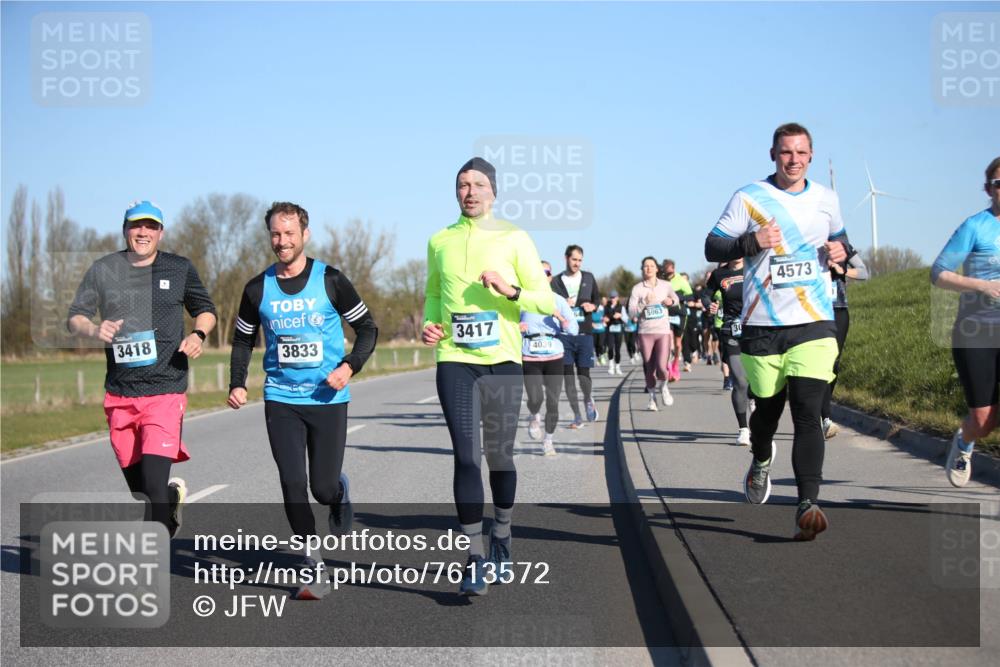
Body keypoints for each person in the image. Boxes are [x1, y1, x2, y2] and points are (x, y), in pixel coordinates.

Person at [705, 122, 848, 541]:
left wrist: (843, 251)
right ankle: (762, 458)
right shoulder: (749, 197)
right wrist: (751, 241)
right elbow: (713, 246)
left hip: (815, 322)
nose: (794, 160)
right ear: (773, 155)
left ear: (811, 156)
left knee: (808, 411)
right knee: (766, 410)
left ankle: (807, 502)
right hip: (763, 325)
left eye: (801, 153)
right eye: (786, 152)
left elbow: (841, 243)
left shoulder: (826, 199)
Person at [227, 201, 378, 600]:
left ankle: (339, 494)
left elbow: (367, 329)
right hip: (282, 398)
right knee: (292, 483)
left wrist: (350, 366)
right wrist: (237, 382)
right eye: (276, 234)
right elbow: (242, 339)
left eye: (289, 233)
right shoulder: (257, 289)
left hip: (328, 397)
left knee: (321, 487)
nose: (282, 241)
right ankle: (314, 567)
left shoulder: (330, 280)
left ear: (305, 235)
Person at [422, 157, 554, 595]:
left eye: (479, 184)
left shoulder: (515, 238)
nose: (470, 192)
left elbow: (545, 302)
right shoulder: (439, 241)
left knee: (499, 457)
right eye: (463, 185)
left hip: (502, 360)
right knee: (465, 456)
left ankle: (502, 528)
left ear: (494, 192)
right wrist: (430, 322)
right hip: (455, 358)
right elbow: (434, 292)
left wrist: (510, 290)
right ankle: (474, 555)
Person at [68, 200, 217, 539]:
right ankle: (170, 498)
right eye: (137, 225)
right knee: (142, 492)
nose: (143, 232)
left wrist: (198, 333)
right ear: (125, 230)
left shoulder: (179, 269)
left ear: (160, 233)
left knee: (152, 483)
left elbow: (205, 309)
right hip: (120, 394)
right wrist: (94, 329)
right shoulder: (104, 269)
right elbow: (75, 316)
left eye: (151, 226)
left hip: (166, 388)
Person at [931, 156, 1000, 487]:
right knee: (984, 421)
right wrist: (983, 286)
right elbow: (939, 273)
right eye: (999, 183)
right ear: (988, 189)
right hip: (977, 332)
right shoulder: (976, 226)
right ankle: (965, 441)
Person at [522, 260, 578, 456]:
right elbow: (508, 325)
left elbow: (573, 329)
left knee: (553, 401)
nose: (541, 275)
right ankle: (534, 415)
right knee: (535, 398)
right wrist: (516, 328)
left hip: (554, 354)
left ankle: (548, 441)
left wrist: (561, 319)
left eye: (545, 272)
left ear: (549, 277)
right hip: (529, 355)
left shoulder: (558, 300)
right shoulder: (522, 298)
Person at [821, 242, 868, 439]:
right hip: (815, 311)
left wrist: (843, 270)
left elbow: (865, 273)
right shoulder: (808, 242)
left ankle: (821, 408)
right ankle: (825, 417)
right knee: (821, 364)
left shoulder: (843, 247)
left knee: (834, 364)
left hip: (839, 309)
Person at [551, 245, 601, 425]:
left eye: (580, 260)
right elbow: (548, 304)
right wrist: (561, 305)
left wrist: (593, 306)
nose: (577, 263)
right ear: (566, 258)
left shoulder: (588, 277)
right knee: (568, 377)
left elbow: (597, 299)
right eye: (574, 259)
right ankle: (577, 416)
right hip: (564, 336)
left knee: (583, 373)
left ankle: (588, 399)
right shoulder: (556, 281)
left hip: (584, 333)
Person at [706, 258, 750, 446]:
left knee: (755, 382)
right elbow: (705, 295)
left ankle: (755, 407)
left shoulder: (755, 266)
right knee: (739, 380)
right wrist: (710, 304)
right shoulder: (719, 274)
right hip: (730, 328)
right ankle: (743, 429)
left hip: (756, 328)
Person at [628, 256, 678, 411]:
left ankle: (663, 388)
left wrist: (671, 302)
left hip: (662, 331)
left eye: (651, 265)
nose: (648, 268)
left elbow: (676, 299)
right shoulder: (637, 288)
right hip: (645, 333)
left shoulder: (666, 285)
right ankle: (652, 398)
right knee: (649, 368)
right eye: (645, 266)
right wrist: (643, 303)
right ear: (642, 269)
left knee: (662, 367)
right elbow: (631, 313)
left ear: (657, 268)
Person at [662, 260, 693, 382]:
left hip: (680, 314)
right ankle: (669, 369)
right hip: (666, 314)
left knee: (678, 344)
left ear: (674, 268)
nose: (669, 270)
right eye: (666, 268)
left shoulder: (681, 280)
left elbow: (691, 296)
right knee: (668, 343)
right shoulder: (662, 281)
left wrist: (677, 297)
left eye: (671, 267)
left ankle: (675, 364)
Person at [604, 291, 626, 375]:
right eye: (611, 297)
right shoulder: (606, 307)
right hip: (609, 330)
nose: (613, 299)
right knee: (610, 348)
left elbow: (626, 319)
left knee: (617, 349)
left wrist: (620, 316)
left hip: (618, 329)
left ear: (617, 298)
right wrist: (605, 319)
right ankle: (611, 367)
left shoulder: (621, 307)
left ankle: (617, 366)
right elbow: (604, 317)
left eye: (614, 297)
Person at [592, 296, 608, 366]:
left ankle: (602, 356)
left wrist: (605, 319)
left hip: (601, 329)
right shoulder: (590, 309)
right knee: (596, 345)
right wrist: (591, 323)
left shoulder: (602, 308)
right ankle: (598, 357)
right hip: (593, 330)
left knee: (601, 344)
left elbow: (606, 316)